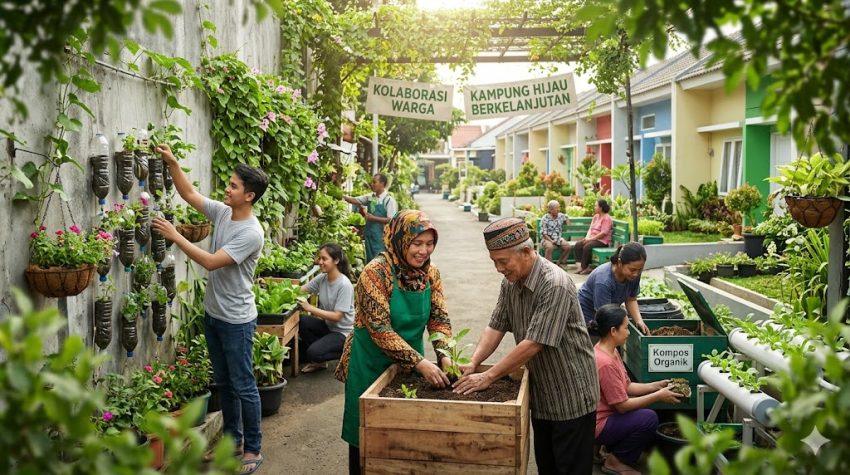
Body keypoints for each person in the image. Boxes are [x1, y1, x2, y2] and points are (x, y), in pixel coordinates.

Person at [150, 144, 267, 474]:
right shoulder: (224, 213)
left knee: (243, 386)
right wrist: (173, 163)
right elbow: (189, 193)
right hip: (215, 315)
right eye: (229, 184)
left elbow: (212, 262)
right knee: (225, 384)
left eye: (233, 186)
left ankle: (253, 449)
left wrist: (176, 236)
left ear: (249, 196)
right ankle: (232, 443)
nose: (227, 189)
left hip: (237, 321)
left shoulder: (251, 233)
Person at [454, 217, 599, 474]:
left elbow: (533, 344)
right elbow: (496, 325)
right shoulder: (510, 282)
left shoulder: (554, 283)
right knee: (547, 466)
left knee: (570, 468)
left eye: (503, 261)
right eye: (494, 262)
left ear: (526, 252)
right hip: (543, 393)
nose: (498, 268)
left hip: (571, 394)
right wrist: (474, 362)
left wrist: (488, 376)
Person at [335, 210, 453, 475]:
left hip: (409, 366)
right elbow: (380, 330)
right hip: (369, 363)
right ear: (400, 239)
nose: (423, 251)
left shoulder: (430, 273)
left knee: (404, 439)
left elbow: (439, 320)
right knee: (367, 438)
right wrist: (420, 363)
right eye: (416, 243)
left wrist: (444, 355)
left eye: (429, 243)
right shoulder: (375, 273)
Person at [592, 304, 682, 475]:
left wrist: (656, 385)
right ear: (613, 331)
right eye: (626, 328)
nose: (629, 332)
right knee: (648, 418)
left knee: (643, 412)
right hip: (600, 424)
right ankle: (615, 461)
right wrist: (658, 396)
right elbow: (622, 406)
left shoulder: (610, 351)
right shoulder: (605, 363)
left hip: (606, 416)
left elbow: (627, 386)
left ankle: (607, 450)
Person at [298, 243, 355, 374]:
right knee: (302, 320)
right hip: (329, 328)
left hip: (343, 333)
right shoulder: (322, 278)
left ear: (336, 260)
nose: (320, 262)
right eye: (319, 258)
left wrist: (310, 308)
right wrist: (273, 287)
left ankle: (349, 351)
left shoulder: (344, 285)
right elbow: (301, 290)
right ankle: (319, 361)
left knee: (313, 353)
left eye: (324, 259)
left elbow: (337, 316)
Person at [578, 242, 650, 335]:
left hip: (609, 311)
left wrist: (639, 321)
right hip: (589, 317)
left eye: (640, 269)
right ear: (620, 262)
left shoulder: (633, 275)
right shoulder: (604, 281)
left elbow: (631, 299)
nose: (636, 274)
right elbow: (604, 316)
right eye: (632, 270)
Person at [343, 173, 398, 263]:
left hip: (381, 239)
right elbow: (356, 200)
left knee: (380, 263)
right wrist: (342, 196)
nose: (372, 184)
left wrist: (373, 218)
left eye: (374, 182)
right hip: (369, 236)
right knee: (370, 263)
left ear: (382, 184)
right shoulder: (371, 197)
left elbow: (391, 220)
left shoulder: (389, 200)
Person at [574, 198, 613, 275]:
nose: (594, 207)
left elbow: (603, 233)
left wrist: (590, 239)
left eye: (596, 206)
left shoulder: (607, 218)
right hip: (592, 239)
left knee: (587, 247)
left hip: (602, 241)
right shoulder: (596, 216)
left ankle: (584, 267)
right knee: (578, 244)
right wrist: (587, 238)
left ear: (601, 208)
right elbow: (590, 228)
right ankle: (581, 266)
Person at [539, 199, 572, 266]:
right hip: (547, 239)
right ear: (551, 210)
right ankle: (549, 266)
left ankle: (559, 263)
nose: (558, 209)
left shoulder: (561, 216)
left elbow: (568, 223)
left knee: (567, 247)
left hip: (558, 238)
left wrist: (567, 219)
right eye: (557, 208)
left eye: (559, 207)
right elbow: (544, 233)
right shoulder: (545, 218)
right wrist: (551, 241)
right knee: (550, 247)